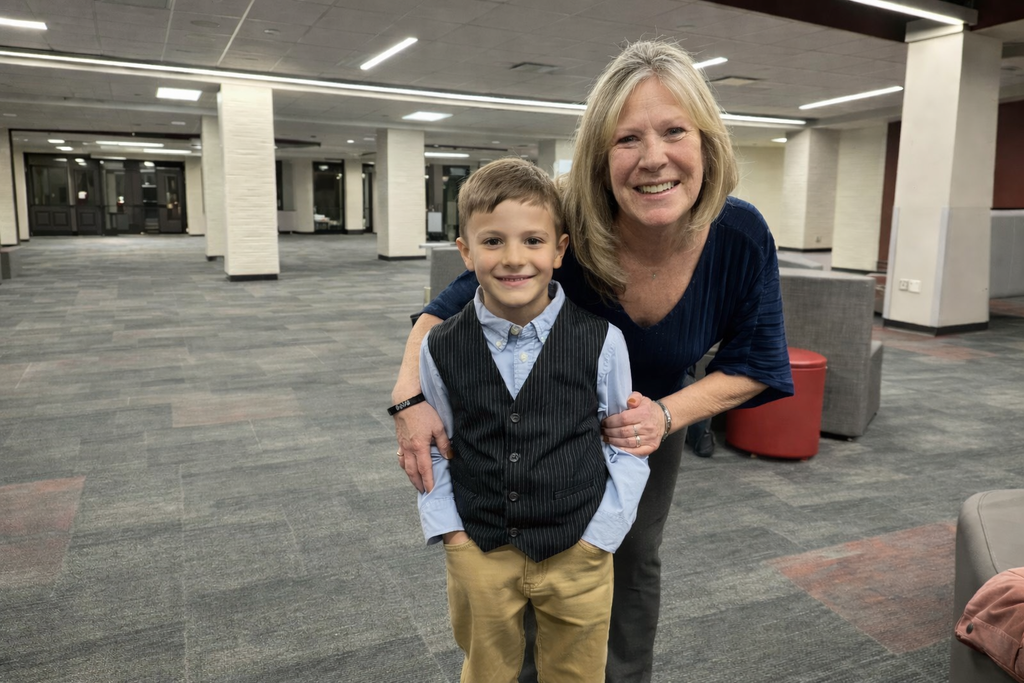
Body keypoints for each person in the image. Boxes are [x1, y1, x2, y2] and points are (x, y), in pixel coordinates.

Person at [392, 40, 795, 682]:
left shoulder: (739, 235)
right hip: (530, 412)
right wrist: (409, 402)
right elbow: (442, 312)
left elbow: (760, 362)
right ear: (600, 155)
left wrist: (663, 417)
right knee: (514, 560)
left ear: (707, 142)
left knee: (629, 558)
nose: (653, 158)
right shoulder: (561, 219)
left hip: (644, 419)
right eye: (627, 139)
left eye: (673, 131)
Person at [401, 157, 650, 682]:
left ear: (560, 250)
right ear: (465, 252)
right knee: (486, 670)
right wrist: (453, 538)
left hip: (578, 548)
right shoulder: (441, 346)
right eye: (492, 241)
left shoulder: (602, 340)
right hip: (481, 551)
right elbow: (436, 445)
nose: (514, 259)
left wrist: (599, 538)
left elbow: (624, 443)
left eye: (533, 241)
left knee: (577, 672)